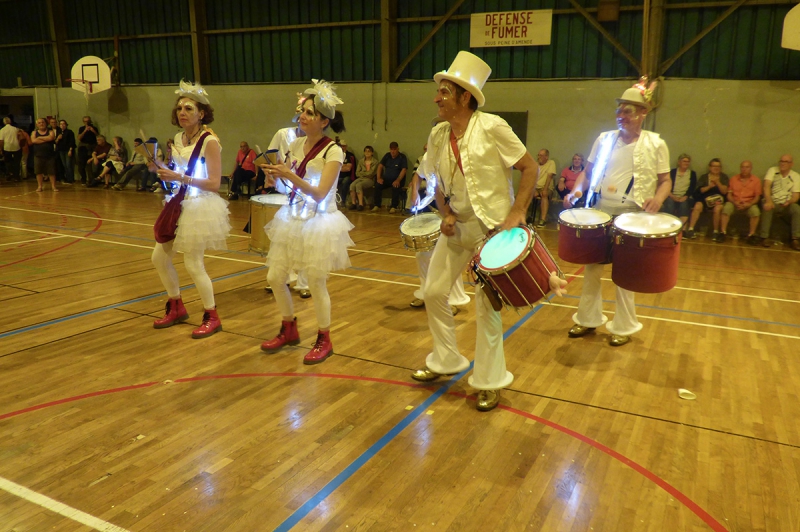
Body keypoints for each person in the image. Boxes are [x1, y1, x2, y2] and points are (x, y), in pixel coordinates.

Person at [410, 51, 565, 412]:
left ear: (465, 97)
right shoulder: (437, 134)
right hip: (457, 228)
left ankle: (490, 380)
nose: (437, 97)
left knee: (486, 308)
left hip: (493, 231)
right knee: (433, 291)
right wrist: (444, 211)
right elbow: (432, 177)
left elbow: (528, 168)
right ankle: (446, 360)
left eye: (444, 92)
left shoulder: (493, 126)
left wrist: (517, 212)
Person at [563, 77, 671, 347]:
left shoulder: (656, 144)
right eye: (619, 110)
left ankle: (623, 326)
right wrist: (576, 192)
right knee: (592, 269)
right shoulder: (604, 139)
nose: (621, 115)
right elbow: (587, 173)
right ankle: (587, 320)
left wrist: (658, 198)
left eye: (628, 111)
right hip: (601, 210)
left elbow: (665, 180)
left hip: (632, 215)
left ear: (642, 113)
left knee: (625, 273)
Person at [259, 79, 352, 364]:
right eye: (303, 111)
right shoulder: (296, 143)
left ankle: (324, 338)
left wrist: (289, 176)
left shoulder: (333, 151)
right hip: (293, 218)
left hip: (319, 221)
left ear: (324, 121)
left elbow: (321, 192)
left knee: (315, 282)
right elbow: (289, 190)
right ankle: (289, 327)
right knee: (275, 276)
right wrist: (275, 178)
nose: (303, 116)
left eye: (310, 113)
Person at [150, 80, 231, 339]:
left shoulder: (210, 141)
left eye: (188, 108)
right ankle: (176, 306)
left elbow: (215, 183)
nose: (182, 112)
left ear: (202, 113)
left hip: (199, 206)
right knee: (159, 258)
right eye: (179, 108)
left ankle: (212, 315)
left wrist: (179, 178)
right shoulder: (178, 137)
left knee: (193, 263)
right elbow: (180, 173)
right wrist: (162, 169)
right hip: (180, 202)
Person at [407, 161, 470, 313]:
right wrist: (414, 191)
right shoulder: (428, 157)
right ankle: (425, 293)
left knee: (449, 258)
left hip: (453, 210)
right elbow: (417, 175)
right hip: (431, 206)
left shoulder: (453, 156)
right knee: (422, 255)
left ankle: (451, 300)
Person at [759, 155, 800, 249]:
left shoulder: (796, 176)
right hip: (773, 201)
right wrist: (769, 201)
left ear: (791, 164)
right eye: (781, 161)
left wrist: (789, 202)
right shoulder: (772, 171)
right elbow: (766, 186)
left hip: (787, 203)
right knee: (766, 205)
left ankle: (795, 239)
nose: (783, 163)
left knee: (796, 209)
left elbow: (796, 196)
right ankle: (764, 237)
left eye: (786, 162)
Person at [685, 158, 728, 239]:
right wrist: (709, 186)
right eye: (714, 166)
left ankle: (715, 231)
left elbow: (724, 191)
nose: (716, 168)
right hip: (704, 199)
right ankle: (691, 229)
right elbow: (700, 190)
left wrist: (717, 182)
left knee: (717, 209)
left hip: (718, 201)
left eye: (718, 166)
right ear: (709, 167)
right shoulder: (704, 177)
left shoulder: (724, 177)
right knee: (697, 206)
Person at [719, 160, 761, 244]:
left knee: (756, 212)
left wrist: (749, 204)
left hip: (749, 203)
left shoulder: (756, 181)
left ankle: (751, 235)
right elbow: (729, 195)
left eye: (747, 167)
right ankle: (722, 233)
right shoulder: (734, 179)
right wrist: (735, 202)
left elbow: (757, 197)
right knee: (726, 208)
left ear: (751, 168)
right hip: (735, 202)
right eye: (742, 167)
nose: (744, 169)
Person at [662, 153, 697, 231]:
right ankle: (668, 227)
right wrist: (672, 196)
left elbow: (692, 187)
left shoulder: (692, 174)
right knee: (669, 203)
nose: (686, 163)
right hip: (671, 195)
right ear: (679, 162)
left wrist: (685, 196)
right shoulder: (672, 172)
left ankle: (682, 229)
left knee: (684, 204)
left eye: (688, 161)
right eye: (684, 161)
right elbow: (666, 184)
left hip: (685, 196)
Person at [373, 142, 408, 213]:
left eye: (394, 149)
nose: (393, 151)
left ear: (398, 149)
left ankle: (393, 206)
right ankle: (377, 205)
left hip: (397, 180)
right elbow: (380, 166)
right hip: (386, 179)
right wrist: (379, 178)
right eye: (391, 149)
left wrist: (398, 180)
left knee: (395, 186)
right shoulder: (387, 156)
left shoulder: (402, 157)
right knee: (378, 185)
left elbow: (404, 169)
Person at [30, 117, 58, 193]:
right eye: (39, 123)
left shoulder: (50, 131)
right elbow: (33, 141)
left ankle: (53, 186)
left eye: (42, 122)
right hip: (38, 155)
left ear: (45, 123)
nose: (41, 124)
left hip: (50, 155)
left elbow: (51, 138)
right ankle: (40, 186)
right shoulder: (34, 132)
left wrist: (39, 138)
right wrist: (44, 139)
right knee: (38, 172)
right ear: (37, 124)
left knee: (51, 172)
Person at [531, 148, 556, 227]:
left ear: (546, 157)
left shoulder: (551, 163)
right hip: (536, 187)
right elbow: (532, 178)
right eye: (538, 155)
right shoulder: (535, 164)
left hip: (546, 187)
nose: (539, 157)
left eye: (541, 155)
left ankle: (543, 219)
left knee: (544, 195)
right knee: (524, 194)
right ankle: (522, 217)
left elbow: (549, 176)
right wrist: (533, 189)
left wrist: (545, 189)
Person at [350, 145, 377, 210]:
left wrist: (362, 173)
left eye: (369, 151)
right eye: (366, 151)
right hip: (360, 178)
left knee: (359, 185)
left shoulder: (375, 162)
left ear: (372, 153)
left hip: (370, 179)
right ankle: (353, 203)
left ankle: (360, 204)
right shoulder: (361, 161)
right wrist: (365, 174)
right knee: (352, 185)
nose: (367, 153)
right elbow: (357, 173)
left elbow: (371, 173)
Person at [76, 116, 99, 185]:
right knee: (81, 164)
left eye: (88, 121)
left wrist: (93, 131)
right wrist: (85, 131)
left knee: (90, 164)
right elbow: (79, 138)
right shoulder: (81, 128)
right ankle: (83, 179)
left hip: (92, 146)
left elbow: (98, 137)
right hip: (83, 147)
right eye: (85, 121)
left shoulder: (94, 128)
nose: (87, 122)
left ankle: (91, 180)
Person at [0, 116, 22, 181]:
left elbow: (1, 141)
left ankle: (9, 174)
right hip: (17, 147)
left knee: (8, 162)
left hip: (7, 147)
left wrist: (1, 149)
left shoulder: (2, 130)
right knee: (17, 162)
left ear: (4, 122)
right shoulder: (16, 129)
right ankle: (17, 176)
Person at [55, 120, 76, 184]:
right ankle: (67, 178)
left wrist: (70, 150)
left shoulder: (70, 132)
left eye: (63, 124)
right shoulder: (58, 132)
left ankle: (71, 179)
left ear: (66, 125)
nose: (62, 125)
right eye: (61, 124)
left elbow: (72, 142)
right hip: (61, 150)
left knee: (68, 164)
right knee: (64, 165)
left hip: (68, 149)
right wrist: (58, 138)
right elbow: (56, 142)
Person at [336, 139, 356, 206]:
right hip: (338, 176)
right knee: (331, 182)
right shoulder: (335, 155)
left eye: (343, 146)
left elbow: (348, 169)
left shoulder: (350, 155)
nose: (342, 147)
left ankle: (343, 200)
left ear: (346, 146)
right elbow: (334, 168)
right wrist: (343, 166)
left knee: (345, 181)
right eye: (340, 146)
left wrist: (340, 166)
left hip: (348, 176)